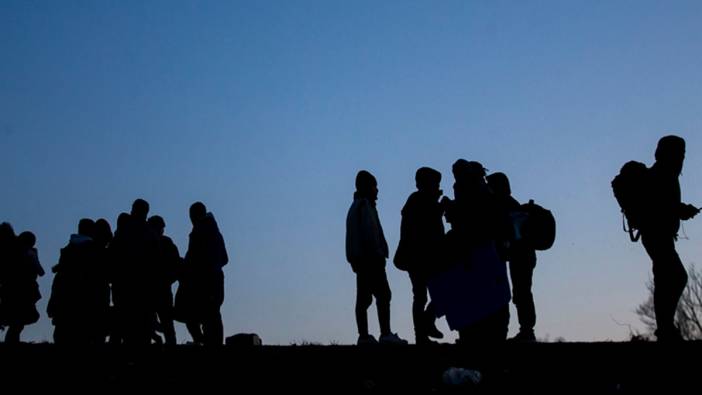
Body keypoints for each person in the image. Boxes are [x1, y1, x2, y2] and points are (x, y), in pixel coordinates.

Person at [639, 135, 699, 342]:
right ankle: (665, 328)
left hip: (658, 236)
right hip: (656, 236)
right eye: (679, 153)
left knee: (665, 279)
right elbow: (660, 205)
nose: (681, 158)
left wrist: (681, 210)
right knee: (675, 277)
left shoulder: (665, 174)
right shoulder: (662, 175)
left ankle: (665, 328)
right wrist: (682, 210)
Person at [346, 170, 407, 345]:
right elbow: (370, 234)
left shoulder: (359, 207)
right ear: (367, 187)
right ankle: (384, 334)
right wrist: (378, 253)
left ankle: (364, 336)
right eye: (374, 186)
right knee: (383, 295)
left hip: (363, 260)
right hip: (370, 259)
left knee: (364, 298)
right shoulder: (363, 207)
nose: (377, 190)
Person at [395, 167, 445, 344]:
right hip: (420, 258)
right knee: (426, 295)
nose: (437, 186)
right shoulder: (419, 201)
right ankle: (423, 330)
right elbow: (426, 226)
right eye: (435, 183)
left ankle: (424, 328)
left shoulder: (420, 201)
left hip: (421, 257)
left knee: (428, 294)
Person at [487, 172, 538, 342]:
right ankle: (526, 330)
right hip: (523, 255)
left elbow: (509, 232)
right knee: (522, 292)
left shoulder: (505, 205)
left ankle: (527, 331)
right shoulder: (510, 203)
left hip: (521, 255)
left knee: (521, 292)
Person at [175, 202, 228, 345]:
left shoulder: (199, 232)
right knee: (211, 316)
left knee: (193, 315)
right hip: (215, 280)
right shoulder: (215, 233)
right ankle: (210, 343)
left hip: (204, 282)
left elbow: (194, 259)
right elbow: (224, 258)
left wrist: (192, 268)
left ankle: (204, 342)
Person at [148, 215, 181, 345]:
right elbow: (177, 267)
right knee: (166, 325)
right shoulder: (167, 244)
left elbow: (176, 267)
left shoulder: (164, 244)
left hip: (155, 290)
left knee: (162, 324)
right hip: (159, 290)